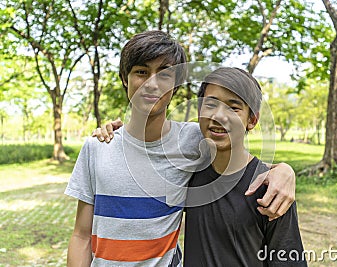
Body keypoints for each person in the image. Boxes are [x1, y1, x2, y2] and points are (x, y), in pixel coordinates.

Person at [66, 30, 295, 266]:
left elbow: (240, 162)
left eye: (164, 74)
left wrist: (284, 170)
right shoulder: (98, 146)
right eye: (141, 72)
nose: (152, 84)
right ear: (125, 77)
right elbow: (81, 236)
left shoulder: (194, 139)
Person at [183, 67, 306, 266]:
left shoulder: (270, 189)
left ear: (252, 120)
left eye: (233, 107)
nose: (219, 116)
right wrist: (115, 132)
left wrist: (285, 169)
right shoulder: (188, 172)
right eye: (210, 104)